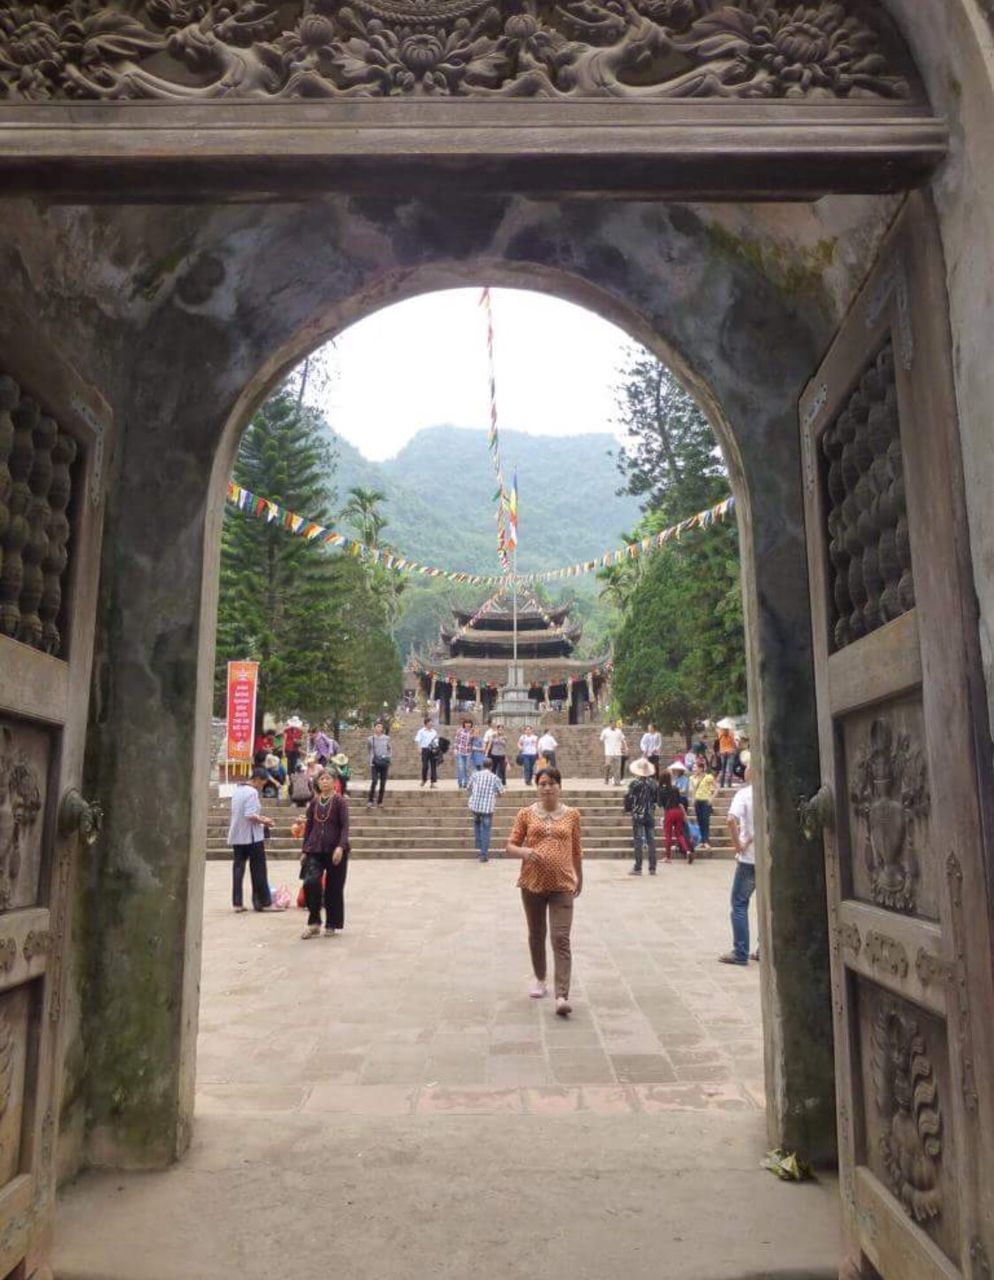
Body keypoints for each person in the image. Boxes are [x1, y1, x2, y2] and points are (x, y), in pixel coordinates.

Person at [506, 767, 583, 1017]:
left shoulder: (572, 815)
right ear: (537, 787)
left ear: (560, 786)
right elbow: (510, 844)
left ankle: (562, 995)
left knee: (561, 938)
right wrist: (525, 852)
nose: (547, 788)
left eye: (551, 783)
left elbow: (576, 850)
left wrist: (579, 877)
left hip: (562, 884)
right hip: (532, 883)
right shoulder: (526, 813)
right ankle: (539, 977)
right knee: (536, 934)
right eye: (542, 783)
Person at [299, 768, 350, 939]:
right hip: (315, 849)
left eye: (328, 778)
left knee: (334, 889)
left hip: (335, 850)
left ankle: (332, 923)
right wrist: (304, 850)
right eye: (322, 779)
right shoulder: (314, 802)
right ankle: (314, 922)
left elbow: (345, 827)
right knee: (310, 882)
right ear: (317, 782)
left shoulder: (340, 802)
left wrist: (340, 847)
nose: (325, 782)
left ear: (334, 781)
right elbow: (309, 827)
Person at [719, 759, 755, 965]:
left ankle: (741, 951)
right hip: (768, 858)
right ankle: (762, 948)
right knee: (767, 906)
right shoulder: (770, 792)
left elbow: (730, 819)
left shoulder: (745, 794)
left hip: (749, 859)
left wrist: (738, 845)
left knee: (739, 904)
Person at [227, 767, 275, 912]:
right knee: (258, 869)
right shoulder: (252, 792)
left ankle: (237, 902)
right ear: (258, 780)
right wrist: (265, 821)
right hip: (252, 837)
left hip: (237, 835)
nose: (262, 786)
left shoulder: (237, 791)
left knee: (238, 869)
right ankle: (262, 901)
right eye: (263, 783)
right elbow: (250, 815)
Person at [624, 757, 659, 875]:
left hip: (638, 814)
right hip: (649, 813)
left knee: (638, 840)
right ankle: (652, 867)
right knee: (651, 840)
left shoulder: (634, 783)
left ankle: (638, 867)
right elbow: (655, 799)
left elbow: (628, 798)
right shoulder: (653, 783)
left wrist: (629, 809)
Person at [467, 757, 504, 862]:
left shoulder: (475, 775)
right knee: (486, 831)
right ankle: (483, 854)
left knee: (477, 824)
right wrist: (494, 793)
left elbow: (468, 787)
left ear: (483, 765)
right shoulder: (495, 778)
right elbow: (501, 792)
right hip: (487, 809)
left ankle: (478, 843)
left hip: (476, 806)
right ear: (491, 767)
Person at [659, 769, 692, 863]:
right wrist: (684, 814)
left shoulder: (661, 790)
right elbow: (680, 802)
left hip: (669, 812)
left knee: (668, 835)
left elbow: (660, 804)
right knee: (679, 834)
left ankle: (668, 857)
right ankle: (688, 851)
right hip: (678, 811)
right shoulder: (675, 788)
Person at [689, 757, 718, 852]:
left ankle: (706, 841)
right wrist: (693, 799)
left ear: (701, 768)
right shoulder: (692, 778)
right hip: (697, 801)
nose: (694, 769)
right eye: (693, 768)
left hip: (706, 801)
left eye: (695, 767)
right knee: (700, 821)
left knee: (706, 821)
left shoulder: (708, 777)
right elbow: (693, 790)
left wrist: (712, 798)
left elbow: (717, 787)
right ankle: (702, 841)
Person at [367, 720, 391, 807]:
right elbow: (369, 751)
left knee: (383, 782)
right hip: (375, 763)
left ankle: (380, 801)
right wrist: (370, 761)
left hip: (384, 762)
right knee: (374, 781)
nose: (379, 728)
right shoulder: (370, 739)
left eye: (380, 727)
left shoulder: (386, 738)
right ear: (374, 728)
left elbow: (389, 748)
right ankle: (370, 800)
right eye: (377, 726)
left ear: (382, 729)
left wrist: (388, 757)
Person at [415, 717, 439, 788]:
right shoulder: (421, 731)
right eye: (429, 723)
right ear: (426, 724)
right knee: (425, 766)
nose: (431, 724)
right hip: (424, 749)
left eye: (432, 722)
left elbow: (436, 741)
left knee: (433, 766)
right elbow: (417, 740)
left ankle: (433, 783)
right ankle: (424, 779)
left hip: (433, 750)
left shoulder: (434, 731)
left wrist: (436, 749)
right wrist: (418, 748)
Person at [600, 720, 625, 786]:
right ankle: (606, 779)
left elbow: (623, 740)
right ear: (610, 724)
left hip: (617, 752)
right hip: (609, 752)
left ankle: (617, 782)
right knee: (607, 765)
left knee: (617, 768)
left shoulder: (619, 731)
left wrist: (625, 748)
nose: (614, 725)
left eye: (615, 724)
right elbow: (601, 739)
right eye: (612, 724)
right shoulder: (605, 731)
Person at [454, 718, 474, 790]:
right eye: (466, 723)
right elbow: (456, 740)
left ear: (471, 725)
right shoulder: (459, 731)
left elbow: (473, 741)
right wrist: (455, 749)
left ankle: (465, 782)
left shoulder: (472, 732)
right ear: (464, 724)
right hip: (460, 751)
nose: (468, 725)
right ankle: (460, 782)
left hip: (468, 752)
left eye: (469, 724)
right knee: (460, 767)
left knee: (466, 768)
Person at [717, 720, 737, 788]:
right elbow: (734, 744)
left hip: (723, 752)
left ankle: (722, 785)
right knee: (729, 769)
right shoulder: (730, 734)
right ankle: (728, 784)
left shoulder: (720, 734)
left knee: (723, 769)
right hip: (730, 752)